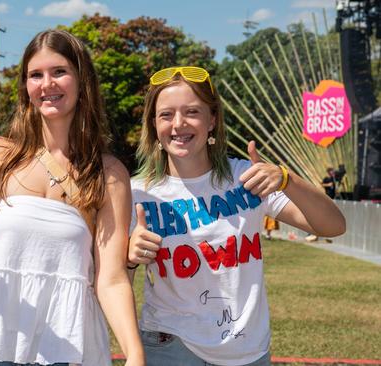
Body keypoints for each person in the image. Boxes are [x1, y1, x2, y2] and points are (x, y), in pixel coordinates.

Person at [0, 29, 144, 366]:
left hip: (66, 346)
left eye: (59, 72)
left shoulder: (108, 173)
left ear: (82, 79)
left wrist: (134, 353)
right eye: (35, 75)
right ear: (26, 87)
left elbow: (112, 278)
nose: (47, 84)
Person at [127, 66, 345, 366]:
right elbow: (113, 281)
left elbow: (333, 226)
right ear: (153, 124)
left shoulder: (246, 177)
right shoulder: (136, 192)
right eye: (166, 115)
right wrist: (129, 256)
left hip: (245, 351)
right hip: (170, 346)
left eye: (192, 111)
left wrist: (287, 179)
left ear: (212, 119)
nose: (178, 124)